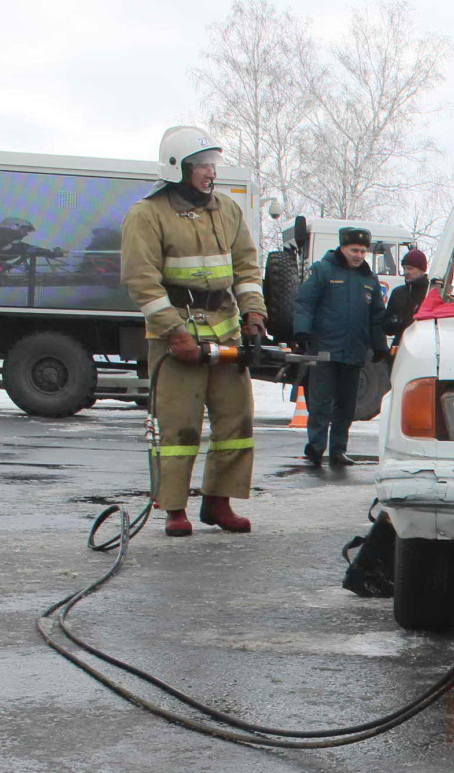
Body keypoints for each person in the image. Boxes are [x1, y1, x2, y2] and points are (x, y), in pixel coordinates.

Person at [120, 125, 265, 536]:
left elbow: (247, 269)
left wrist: (254, 315)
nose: (210, 173)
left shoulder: (227, 210)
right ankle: (174, 508)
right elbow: (140, 280)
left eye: (212, 164)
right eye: (201, 165)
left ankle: (220, 503)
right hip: (177, 335)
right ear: (177, 168)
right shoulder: (147, 214)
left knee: (236, 423)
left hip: (226, 331)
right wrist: (174, 332)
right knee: (179, 426)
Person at [293, 225, 387, 466]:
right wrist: (302, 331)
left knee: (346, 406)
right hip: (325, 349)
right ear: (342, 247)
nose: (359, 255)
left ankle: (338, 450)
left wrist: (379, 346)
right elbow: (305, 302)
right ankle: (315, 449)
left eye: (363, 251)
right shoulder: (323, 270)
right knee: (321, 402)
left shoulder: (369, 279)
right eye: (354, 250)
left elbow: (376, 316)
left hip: (354, 351)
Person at [382, 247, 430, 345]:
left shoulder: (430, 293)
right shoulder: (398, 293)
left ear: (422, 270)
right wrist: (393, 322)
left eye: (410, 268)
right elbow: (386, 328)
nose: (406, 272)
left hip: (424, 346)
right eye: (404, 268)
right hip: (399, 346)